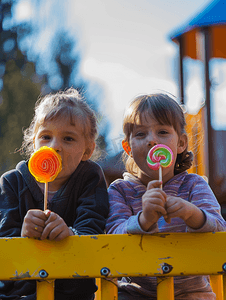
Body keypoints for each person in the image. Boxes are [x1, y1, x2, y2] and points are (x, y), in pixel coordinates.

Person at [106, 93, 226, 300]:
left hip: (191, 292)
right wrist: (144, 220)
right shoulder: (119, 191)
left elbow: (219, 228)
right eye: (141, 134)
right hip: (136, 292)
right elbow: (112, 238)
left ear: (180, 143)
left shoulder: (194, 185)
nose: (152, 140)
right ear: (128, 147)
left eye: (162, 132)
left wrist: (192, 213)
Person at [0, 88, 109, 300]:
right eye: (46, 136)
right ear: (33, 144)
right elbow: (4, 244)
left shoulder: (91, 178)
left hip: (70, 293)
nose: (55, 146)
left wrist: (70, 234)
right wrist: (22, 236)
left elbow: (93, 230)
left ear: (87, 150)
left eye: (68, 139)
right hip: (18, 294)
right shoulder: (11, 182)